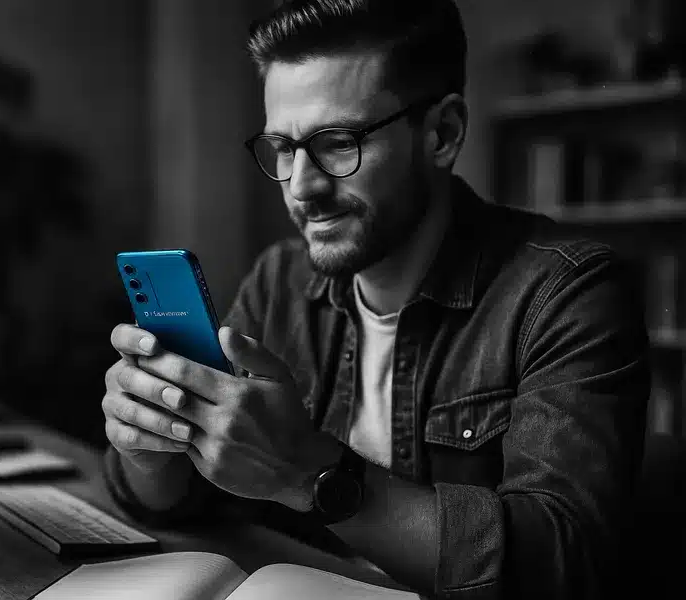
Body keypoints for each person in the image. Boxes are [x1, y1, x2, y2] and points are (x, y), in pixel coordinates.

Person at [100, 1, 650, 598]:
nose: (302, 187)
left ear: (442, 133)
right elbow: (181, 500)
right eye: (283, 149)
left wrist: (311, 473)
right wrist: (151, 449)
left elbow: (561, 564)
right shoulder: (278, 282)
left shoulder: (567, 293)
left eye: (337, 143)